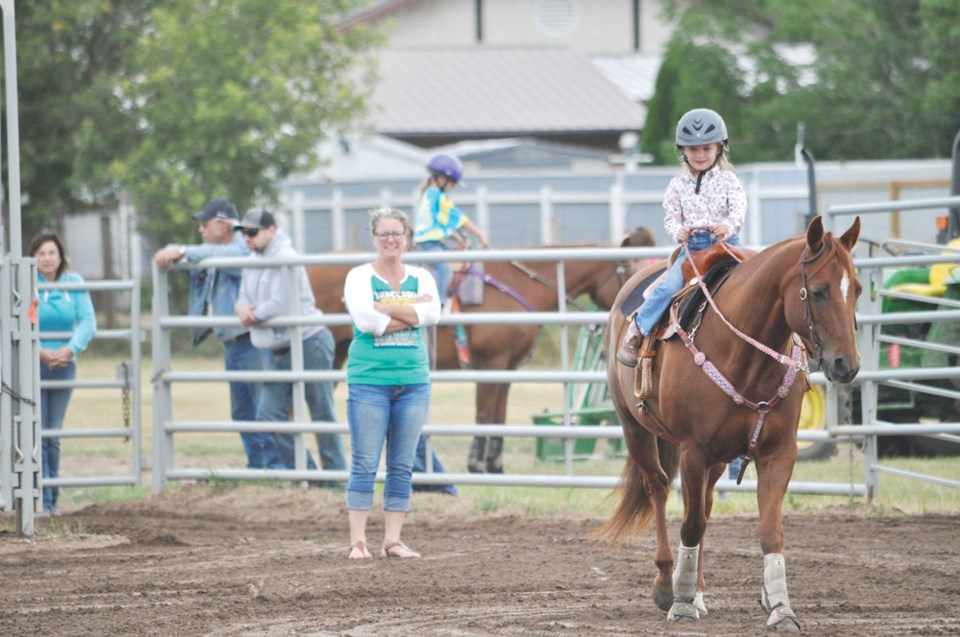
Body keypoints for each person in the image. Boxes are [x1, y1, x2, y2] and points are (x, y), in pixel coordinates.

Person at [154, 198, 282, 470]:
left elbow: (233, 259)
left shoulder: (239, 250)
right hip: (233, 340)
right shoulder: (214, 252)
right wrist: (178, 253)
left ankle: (280, 468)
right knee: (243, 411)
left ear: (223, 224)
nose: (200, 229)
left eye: (205, 223)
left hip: (250, 340)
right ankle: (259, 468)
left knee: (264, 409)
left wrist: (183, 251)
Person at [343, 207, 441, 560]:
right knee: (365, 461)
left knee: (402, 463)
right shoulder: (358, 276)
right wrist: (411, 313)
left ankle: (393, 540)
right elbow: (365, 320)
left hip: (413, 381)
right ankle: (358, 541)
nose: (390, 240)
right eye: (383, 234)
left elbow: (433, 314)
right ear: (374, 238)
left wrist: (386, 310)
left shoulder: (422, 275)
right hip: (370, 380)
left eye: (396, 233)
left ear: (407, 237)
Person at [617, 108, 747, 367]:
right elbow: (671, 217)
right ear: (683, 151)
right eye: (693, 149)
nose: (700, 155)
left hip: (726, 246)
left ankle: (782, 341)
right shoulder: (677, 185)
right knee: (667, 286)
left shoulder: (729, 181)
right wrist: (677, 231)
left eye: (706, 149)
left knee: (755, 283)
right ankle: (637, 331)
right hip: (694, 250)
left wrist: (729, 226)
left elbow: (739, 209)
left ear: (719, 148)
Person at [234, 208, 347, 479]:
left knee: (321, 409)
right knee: (269, 414)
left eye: (252, 232)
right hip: (277, 345)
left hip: (308, 340)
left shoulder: (287, 258)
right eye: (244, 232)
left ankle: (335, 479)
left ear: (271, 230)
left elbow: (280, 302)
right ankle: (307, 474)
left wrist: (252, 316)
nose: (247, 237)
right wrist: (242, 309)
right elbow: (244, 297)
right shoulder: (253, 260)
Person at [31, 233, 97, 515]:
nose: (47, 258)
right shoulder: (27, 284)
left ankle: (51, 499)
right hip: (33, 364)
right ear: (33, 257)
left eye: (52, 253)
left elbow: (87, 320)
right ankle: (41, 500)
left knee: (52, 433)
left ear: (60, 256)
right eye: (42, 253)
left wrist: (71, 349)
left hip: (64, 365)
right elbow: (21, 321)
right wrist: (39, 352)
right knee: (37, 430)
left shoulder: (74, 283)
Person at [413, 152, 490, 303]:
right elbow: (459, 219)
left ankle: (449, 301)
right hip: (429, 245)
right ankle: (438, 305)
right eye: (452, 183)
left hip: (431, 243)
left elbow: (439, 224)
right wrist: (479, 234)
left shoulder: (429, 195)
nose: (453, 187)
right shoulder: (439, 198)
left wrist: (457, 238)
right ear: (441, 179)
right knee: (445, 269)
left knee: (455, 263)